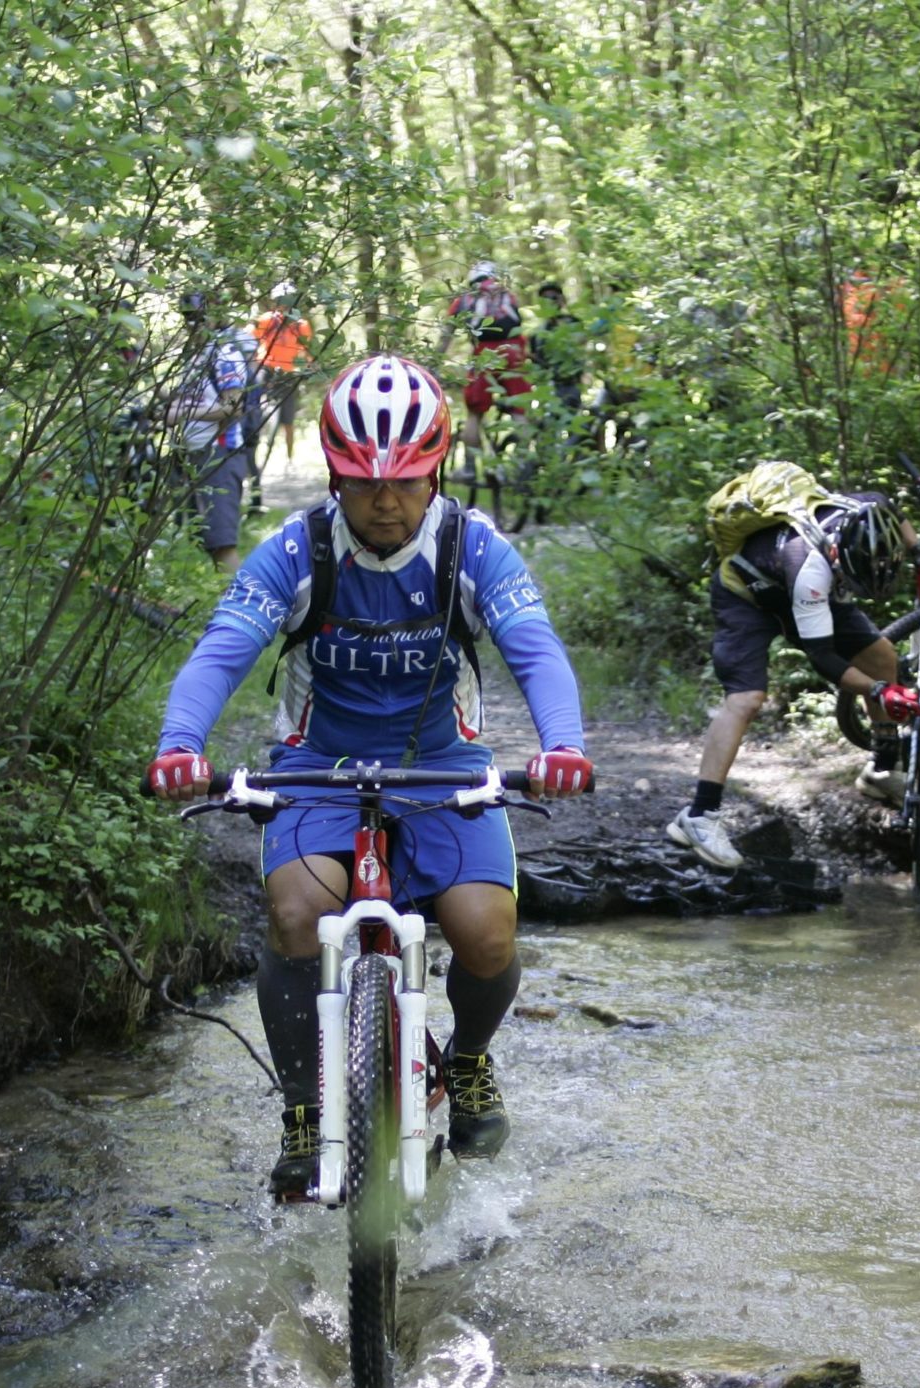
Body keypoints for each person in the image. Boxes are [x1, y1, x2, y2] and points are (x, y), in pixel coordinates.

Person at [146, 353, 593, 1200]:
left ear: (438, 470)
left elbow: (534, 647)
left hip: (443, 764)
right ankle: (306, 1106)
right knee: (295, 913)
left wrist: (561, 743)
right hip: (319, 768)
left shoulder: (471, 544)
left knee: (487, 930)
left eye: (406, 481)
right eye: (362, 483)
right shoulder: (298, 548)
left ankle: (465, 1062)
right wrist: (180, 742)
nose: (386, 501)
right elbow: (223, 649)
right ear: (335, 474)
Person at [666, 486, 920, 870]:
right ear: (839, 556)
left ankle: (882, 769)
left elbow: (890, 504)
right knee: (746, 699)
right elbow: (823, 658)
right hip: (748, 597)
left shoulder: (867, 510)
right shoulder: (809, 567)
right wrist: (879, 692)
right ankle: (699, 816)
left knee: (882, 655)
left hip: (805, 589)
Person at [173, 292, 253, 572]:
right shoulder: (191, 356)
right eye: (188, 318)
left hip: (220, 453)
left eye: (198, 317)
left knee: (223, 545)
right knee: (207, 542)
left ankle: (243, 607)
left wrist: (182, 414)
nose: (193, 324)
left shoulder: (224, 353)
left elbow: (233, 406)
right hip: (195, 455)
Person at [435, 260, 532, 451]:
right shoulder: (507, 295)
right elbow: (517, 326)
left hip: (483, 356)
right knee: (519, 410)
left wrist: (434, 362)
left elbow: (446, 335)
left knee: (474, 413)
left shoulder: (464, 300)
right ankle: (524, 465)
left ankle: (472, 467)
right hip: (514, 353)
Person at [252, 285, 315, 467]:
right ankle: (253, 452)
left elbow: (307, 349)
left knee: (288, 421)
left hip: (289, 373)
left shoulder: (301, 325)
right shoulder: (266, 321)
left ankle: (289, 459)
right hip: (267, 370)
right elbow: (249, 338)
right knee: (254, 410)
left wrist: (311, 367)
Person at [530, 281, 587, 417]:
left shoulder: (574, 322)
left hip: (570, 384)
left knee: (574, 423)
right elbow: (535, 360)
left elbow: (580, 345)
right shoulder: (537, 333)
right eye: (545, 299)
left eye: (554, 297)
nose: (550, 302)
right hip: (547, 386)